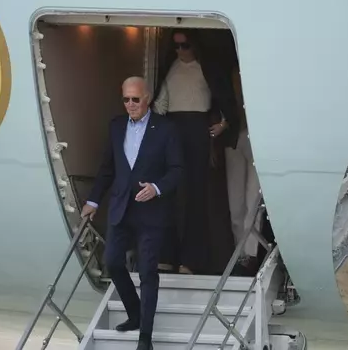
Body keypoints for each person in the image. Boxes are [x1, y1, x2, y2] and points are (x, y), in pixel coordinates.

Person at [81, 76, 184, 350]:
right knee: (113, 262)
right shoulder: (116, 126)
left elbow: (177, 170)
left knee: (148, 272)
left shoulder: (166, 129)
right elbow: (107, 168)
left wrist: (157, 188)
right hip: (121, 208)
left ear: (147, 98)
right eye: (125, 99)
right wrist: (93, 201)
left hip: (151, 213)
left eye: (135, 99)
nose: (130, 104)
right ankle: (135, 313)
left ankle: (145, 338)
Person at [153, 29, 238, 275]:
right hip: (173, 129)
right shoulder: (171, 68)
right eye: (176, 46)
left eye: (185, 45)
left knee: (196, 196)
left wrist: (223, 124)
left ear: (195, 46)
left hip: (197, 131)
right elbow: (161, 102)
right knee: (169, 192)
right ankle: (167, 254)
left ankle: (192, 259)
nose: (180, 51)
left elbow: (226, 99)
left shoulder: (207, 68)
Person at [225, 65, 262, 274]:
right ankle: (241, 254)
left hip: (257, 139)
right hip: (233, 139)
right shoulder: (228, 78)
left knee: (252, 201)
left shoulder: (263, 77)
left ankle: (251, 255)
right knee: (236, 203)